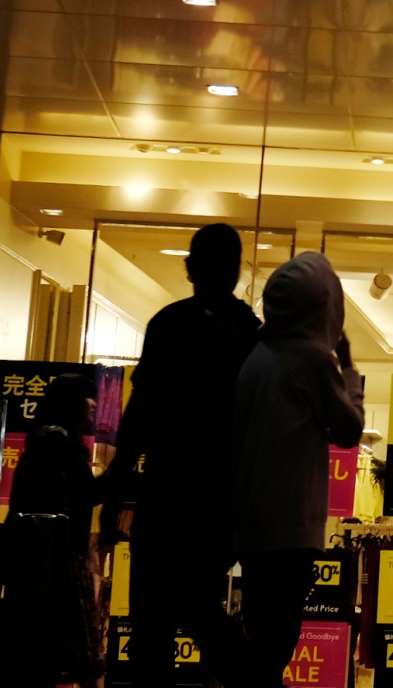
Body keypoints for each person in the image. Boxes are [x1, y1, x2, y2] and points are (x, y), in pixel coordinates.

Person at [102, 222, 261, 688]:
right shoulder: (252, 335)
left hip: (165, 491)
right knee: (200, 605)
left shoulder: (168, 324)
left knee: (151, 618)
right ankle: (252, 676)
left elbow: (141, 412)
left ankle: (253, 677)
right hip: (220, 500)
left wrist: (117, 486)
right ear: (236, 272)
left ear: (190, 267)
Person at [230, 252, 366, 688]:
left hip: (250, 519)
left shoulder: (257, 355)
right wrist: (349, 369)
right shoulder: (312, 358)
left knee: (260, 627)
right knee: (278, 637)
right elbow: (348, 429)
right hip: (292, 521)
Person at [0, 404, 106, 688]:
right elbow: (79, 494)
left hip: (36, 564)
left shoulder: (43, 442)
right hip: (55, 563)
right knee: (83, 659)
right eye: (86, 403)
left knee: (34, 656)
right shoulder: (57, 444)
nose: (93, 409)